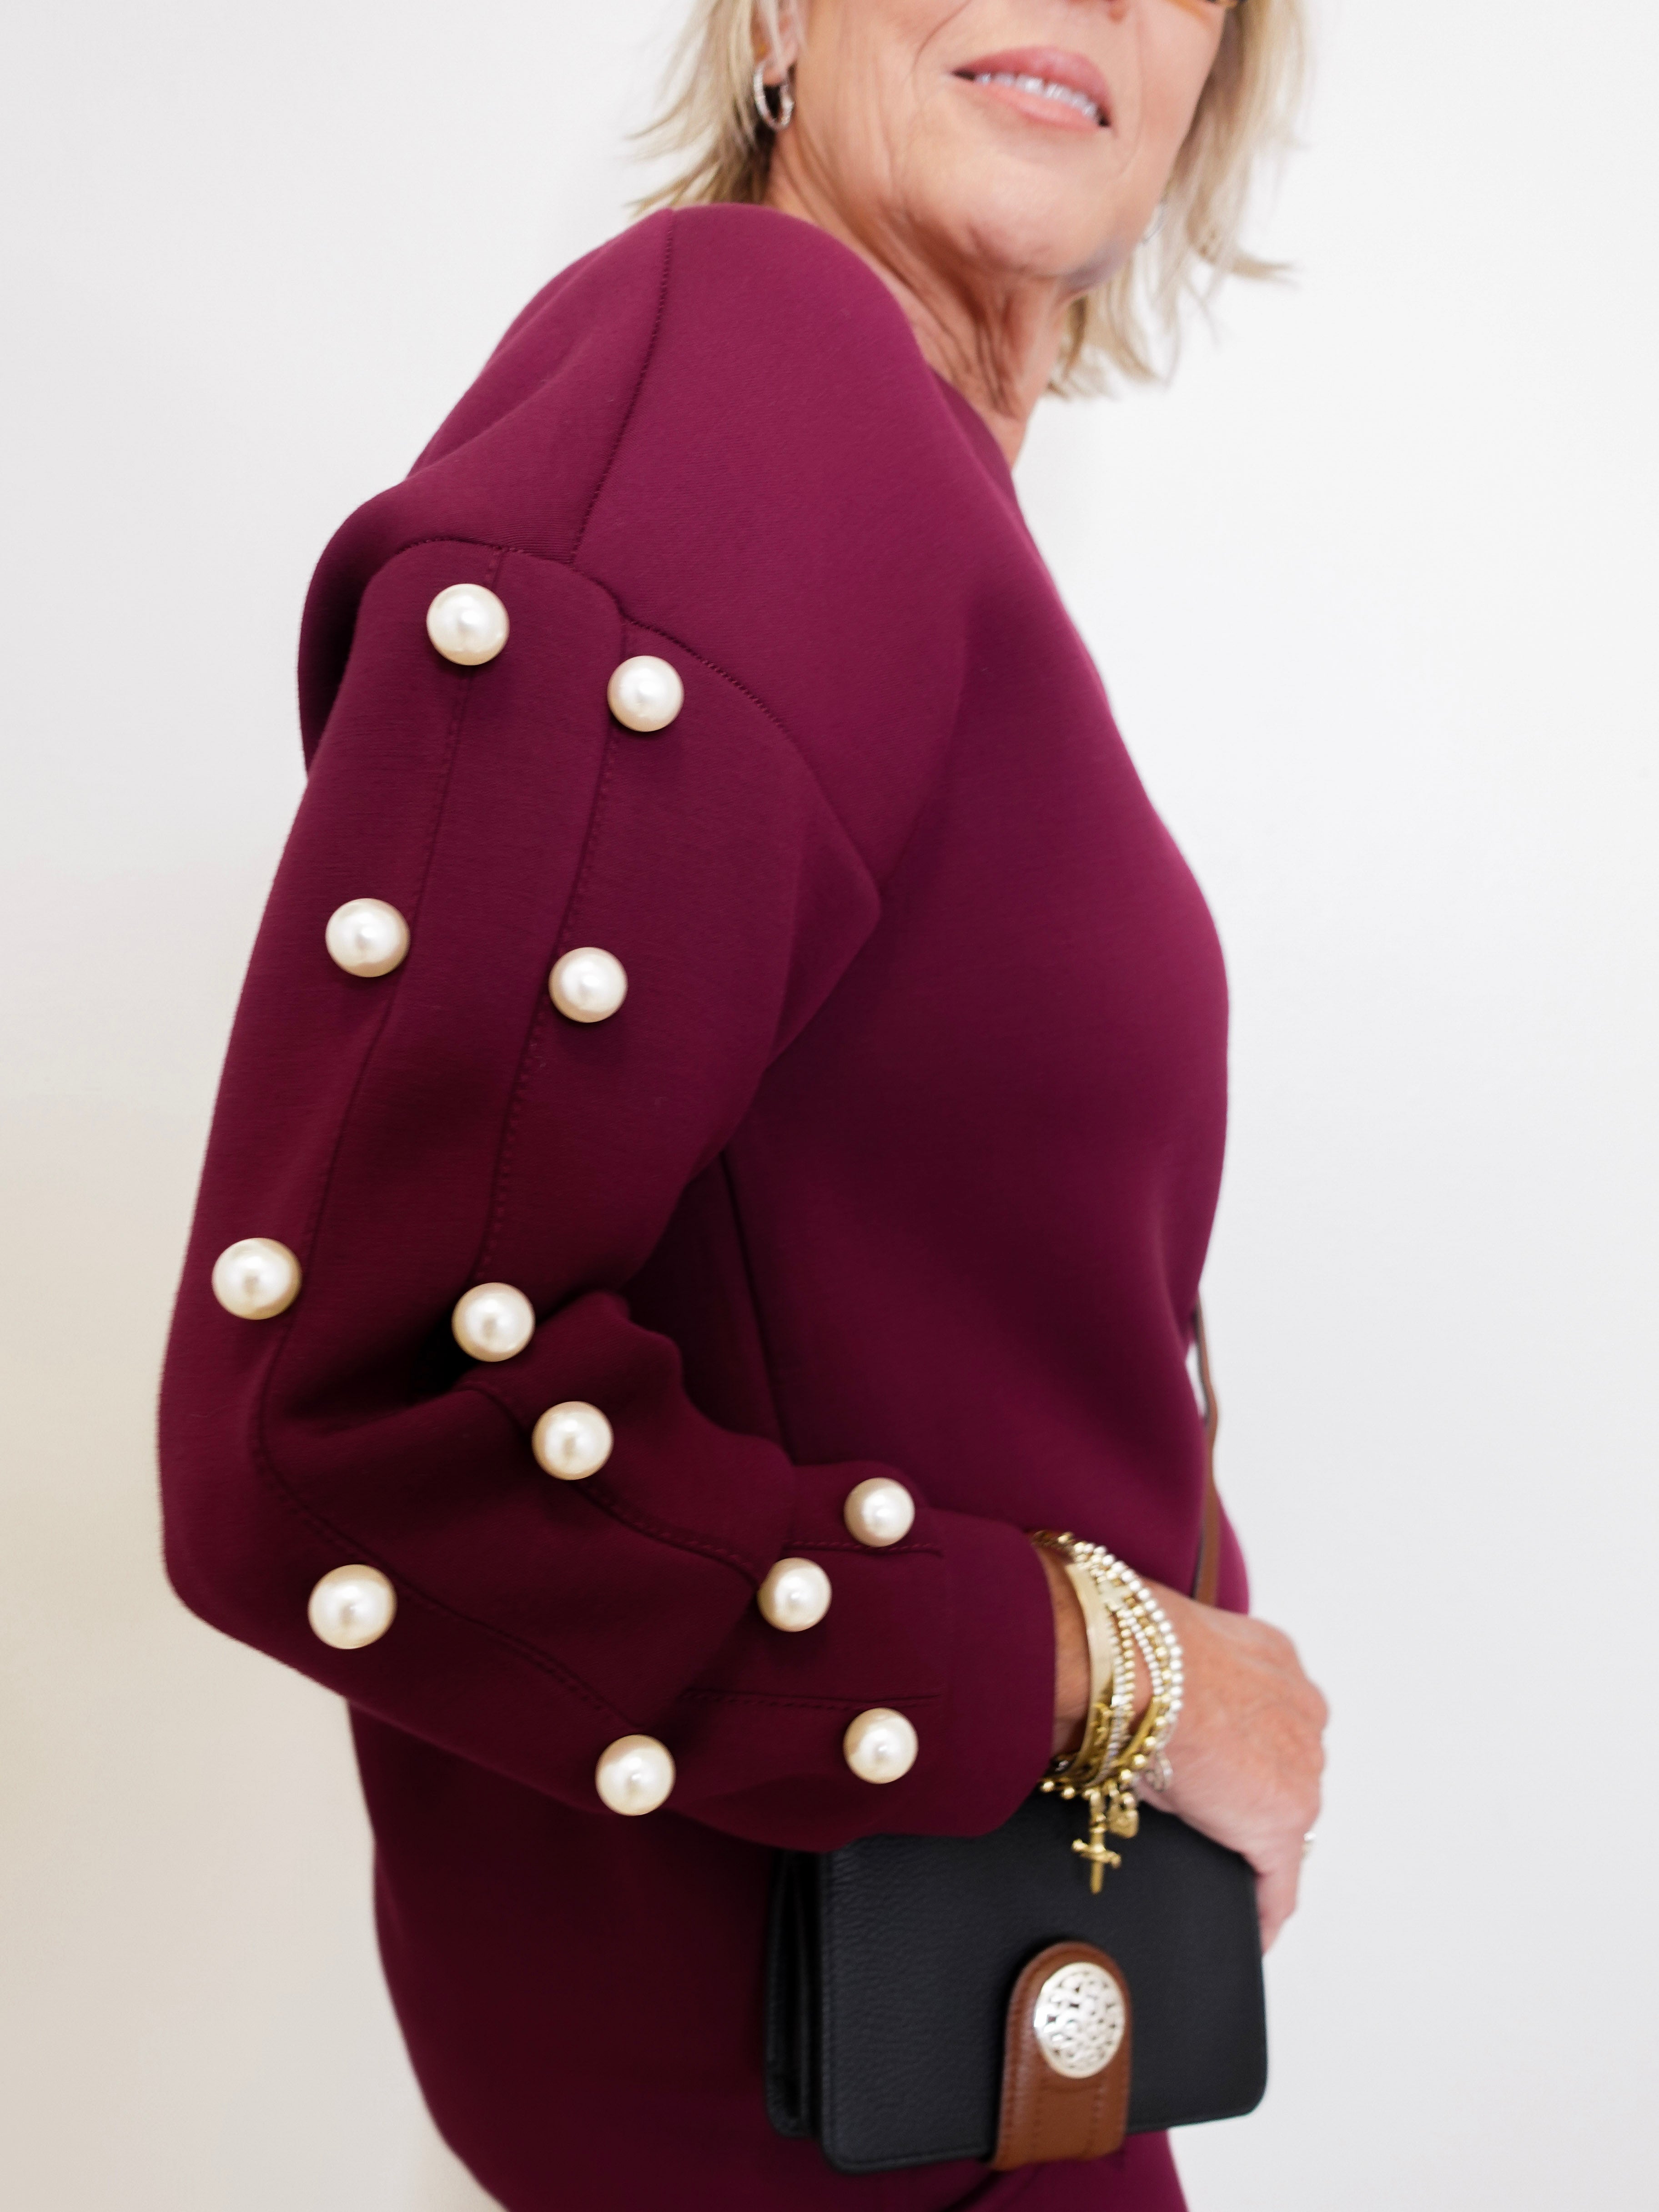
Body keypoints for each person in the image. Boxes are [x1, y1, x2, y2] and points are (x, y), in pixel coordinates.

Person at [159, 2, 1327, 2206]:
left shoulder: (894, 479)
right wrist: (1119, 1675)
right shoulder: (750, 361)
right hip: (837, 2121)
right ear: (778, 10)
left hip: (978, 2044)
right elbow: (333, 1431)